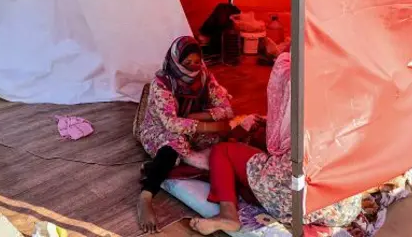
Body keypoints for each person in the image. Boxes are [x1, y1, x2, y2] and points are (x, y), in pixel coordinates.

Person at [189, 52, 362, 235]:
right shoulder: (353, 103)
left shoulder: (300, 83)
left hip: (296, 198)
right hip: (345, 207)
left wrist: (204, 122)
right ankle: (317, 227)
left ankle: (228, 215)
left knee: (222, 152)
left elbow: (275, 139)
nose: (192, 67)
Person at [136, 36, 234, 233]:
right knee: (174, 144)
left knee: (228, 139)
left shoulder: (204, 76)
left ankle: (187, 159)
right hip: (159, 129)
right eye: (187, 62)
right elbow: (170, 123)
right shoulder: (162, 82)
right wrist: (208, 126)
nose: (192, 67)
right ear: (175, 60)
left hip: (192, 126)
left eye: (197, 61)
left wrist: (198, 115)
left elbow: (227, 109)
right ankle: (145, 197)